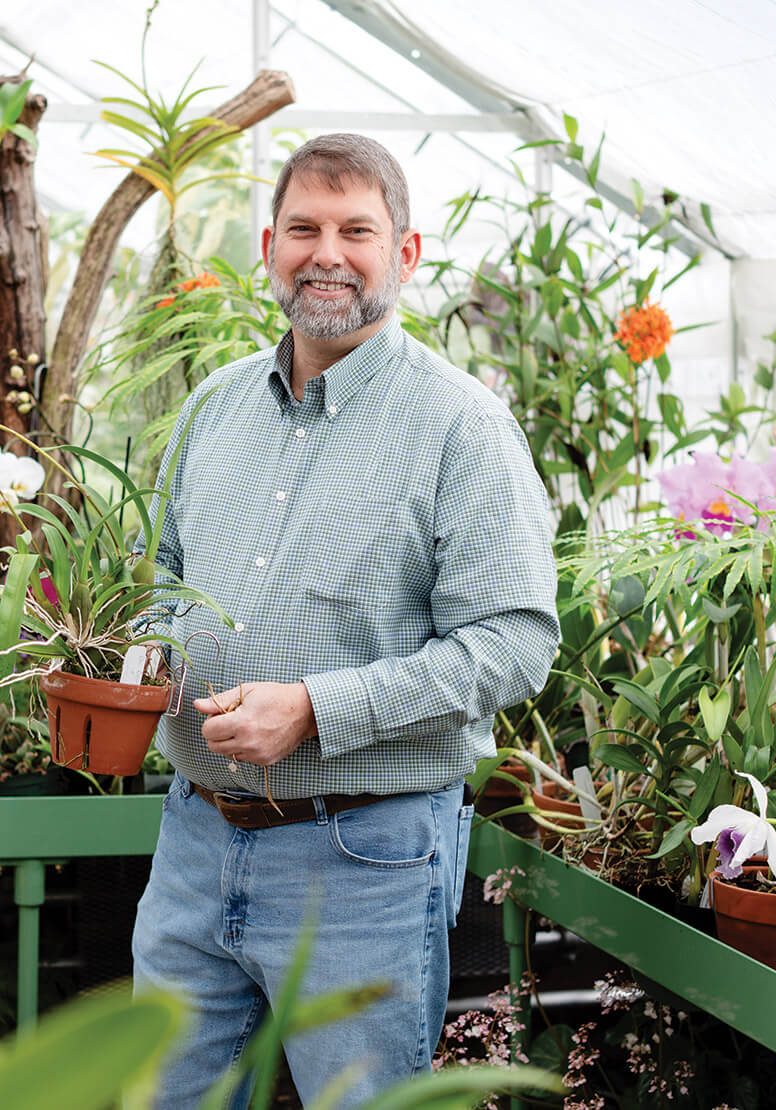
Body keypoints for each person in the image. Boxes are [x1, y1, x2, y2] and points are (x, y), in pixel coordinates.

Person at [132, 133, 560, 1109]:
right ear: (268, 248)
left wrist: (317, 709)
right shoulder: (214, 407)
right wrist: (141, 658)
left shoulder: (461, 426)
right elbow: (165, 573)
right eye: (303, 229)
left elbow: (518, 640)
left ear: (404, 255)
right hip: (194, 842)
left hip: (360, 857)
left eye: (356, 230)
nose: (327, 251)